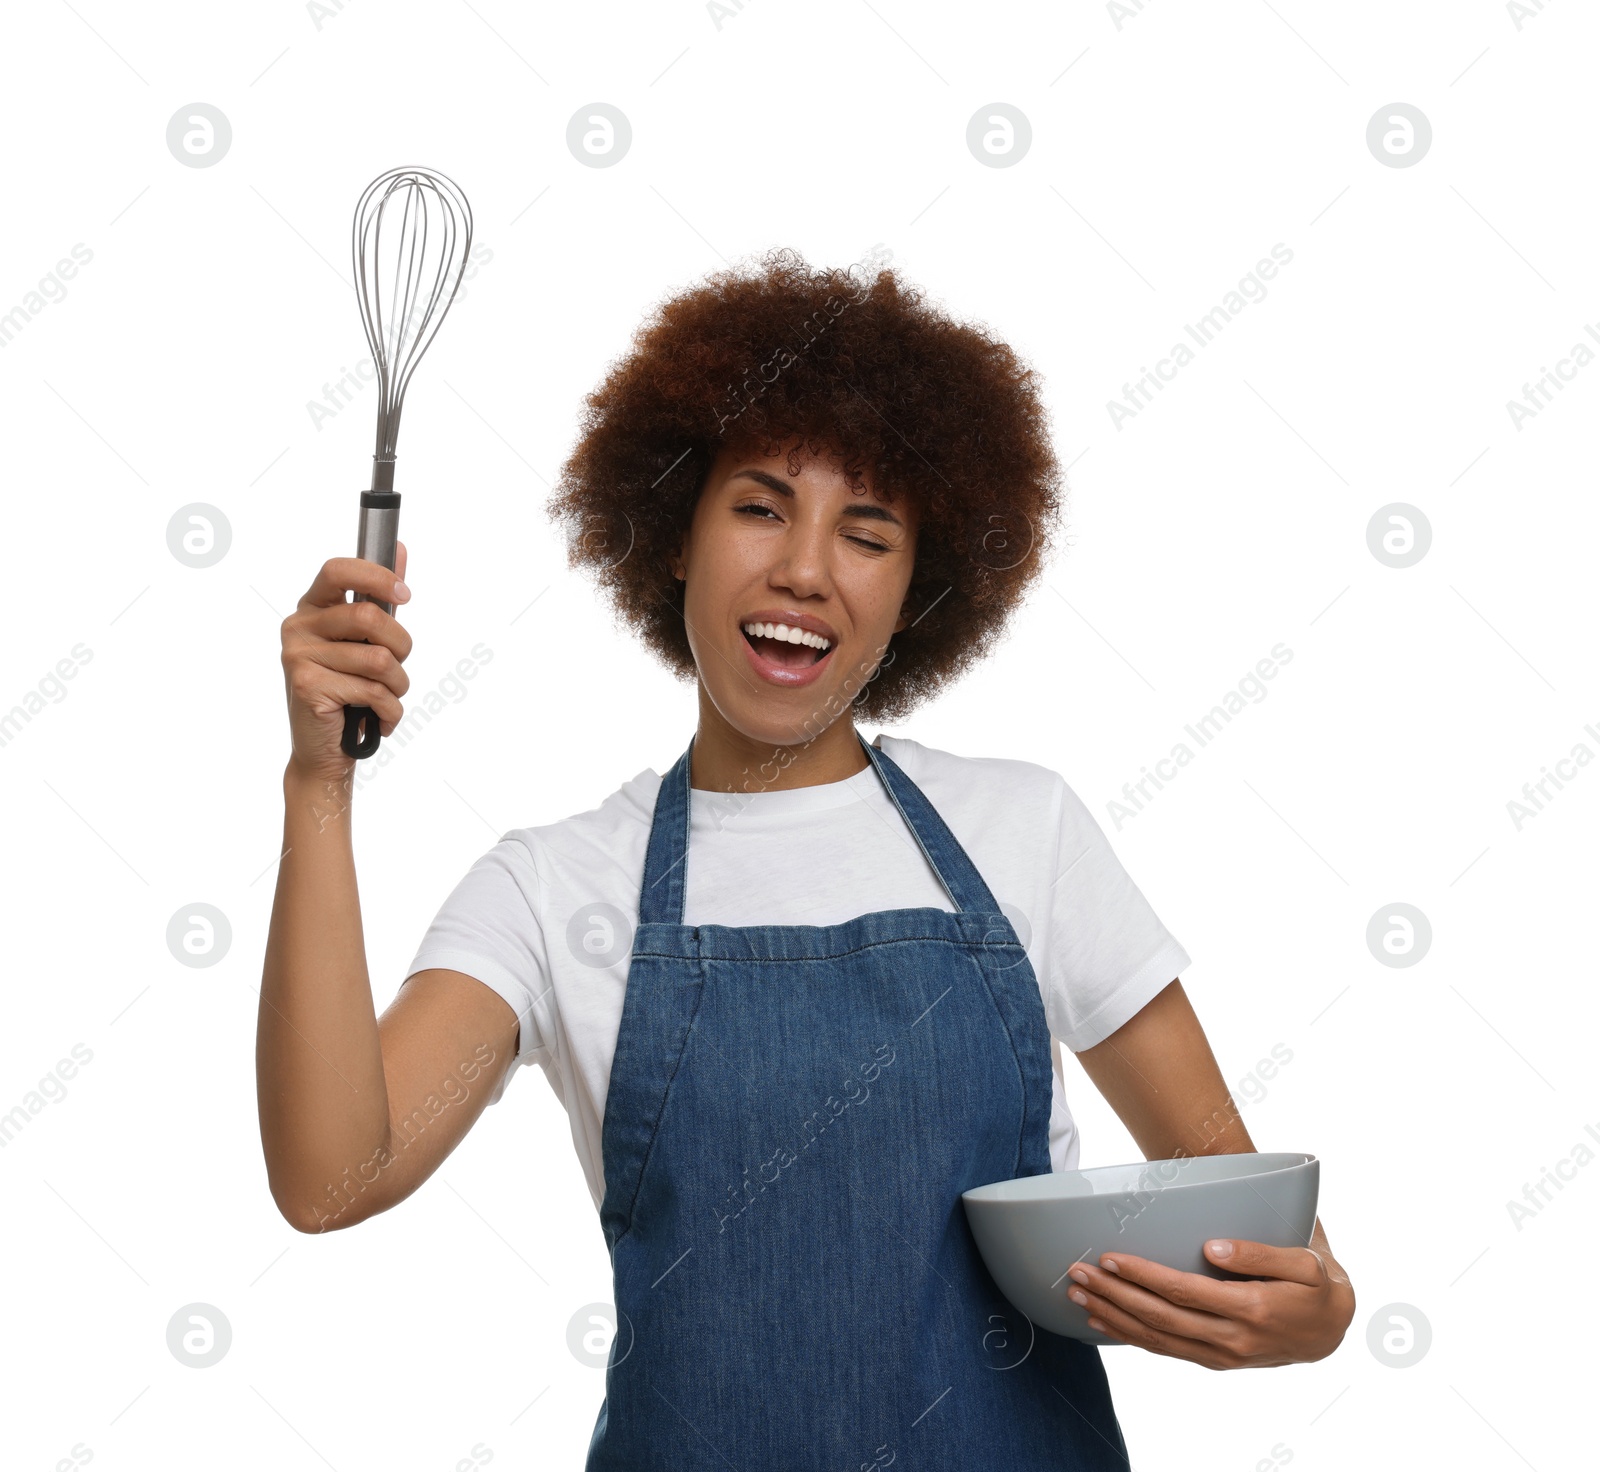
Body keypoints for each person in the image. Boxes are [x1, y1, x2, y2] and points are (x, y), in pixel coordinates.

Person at [259, 248, 1355, 1469]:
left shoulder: (1023, 833)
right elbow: (331, 1175)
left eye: (868, 531)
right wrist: (320, 783)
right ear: (674, 533)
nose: (805, 568)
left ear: (915, 589)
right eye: (760, 504)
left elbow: (1237, 1194)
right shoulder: (553, 887)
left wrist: (1313, 1306)